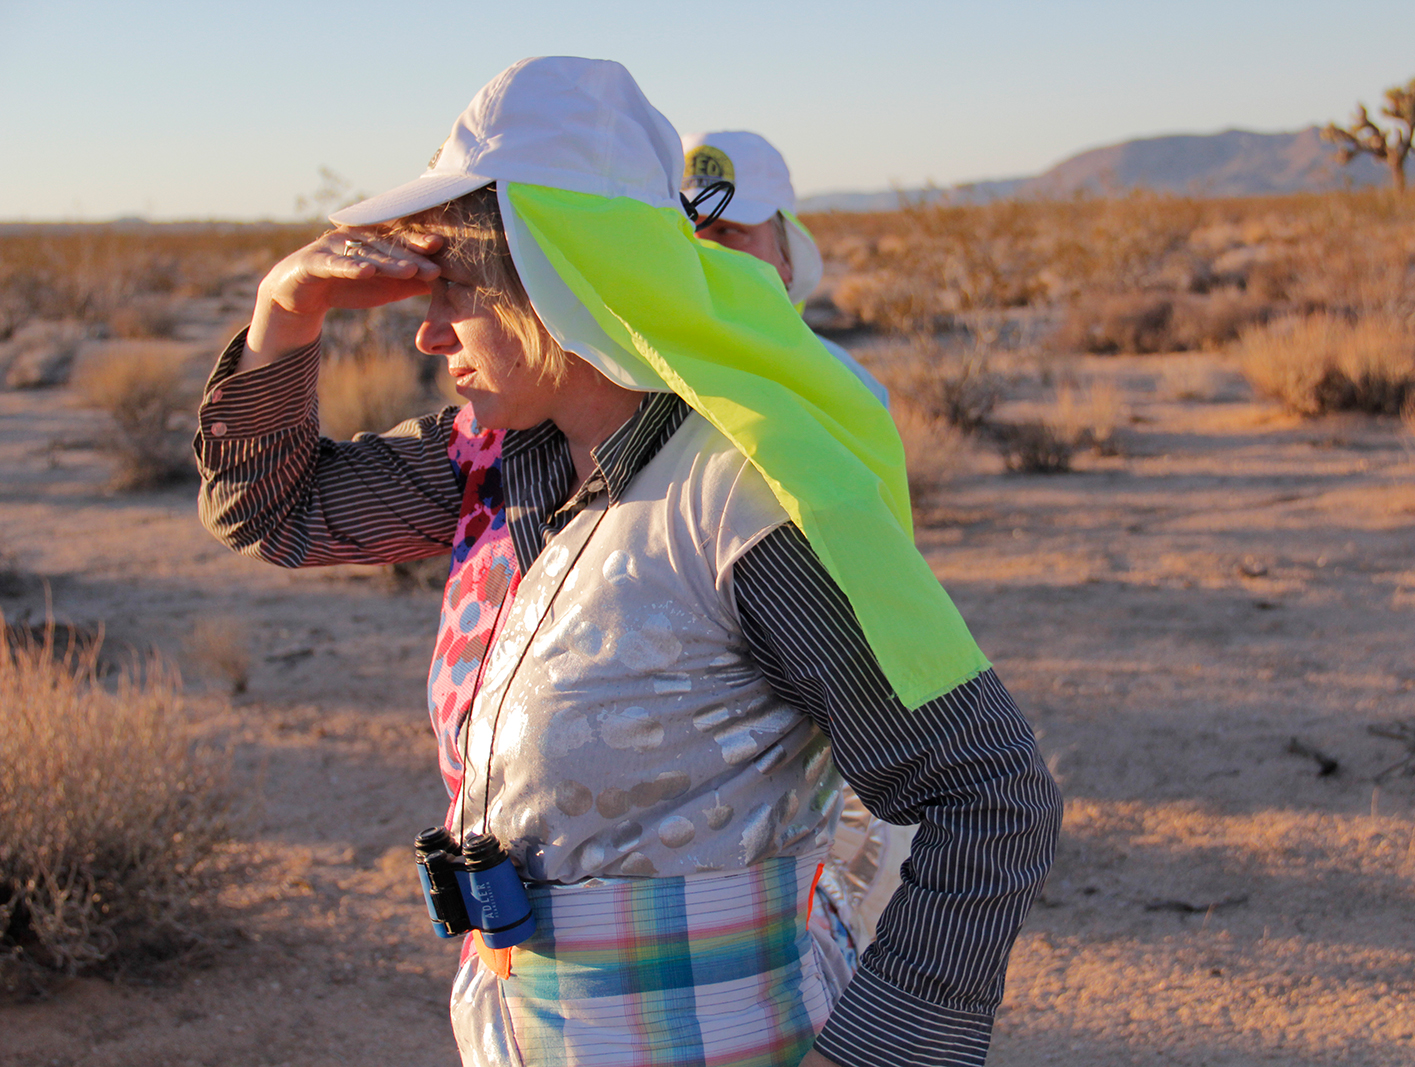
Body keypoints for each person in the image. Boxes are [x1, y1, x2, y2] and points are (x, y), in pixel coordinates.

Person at [196, 56, 1060, 1067]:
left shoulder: (744, 498)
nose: (429, 331)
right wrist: (284, 308)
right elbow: (272, 512)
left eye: (458, 288)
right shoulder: (496, 463)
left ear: (563, 274)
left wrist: (880, 1052)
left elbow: (987, 791)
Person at [682, 129, 908, 962]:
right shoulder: (628, 383)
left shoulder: (837, 389)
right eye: (689, 235)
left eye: (732, 233)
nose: (707, 253)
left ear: (782, 255)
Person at [682, 130, 889, 406]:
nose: (701, 251)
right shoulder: (619, 376)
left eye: (727, 230)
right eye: (681, 231)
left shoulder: (848, 390)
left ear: (786, 258)